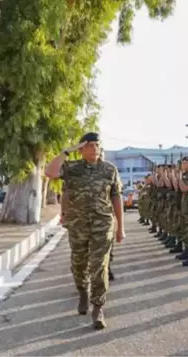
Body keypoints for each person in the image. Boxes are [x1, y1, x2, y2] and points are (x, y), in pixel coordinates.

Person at [44, 132, 125, 330]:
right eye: (89, 145)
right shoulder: (72, 168)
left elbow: (116, 197)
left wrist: (120, 227)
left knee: (100, 265)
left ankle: (98, 307)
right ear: (81, 149)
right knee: (79, 264)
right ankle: (82, 292)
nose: (94, 149)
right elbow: (50, 172)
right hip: (78, 224)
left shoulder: (109, 169)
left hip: (102, 223)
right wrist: (66, 151)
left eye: (97, 145)